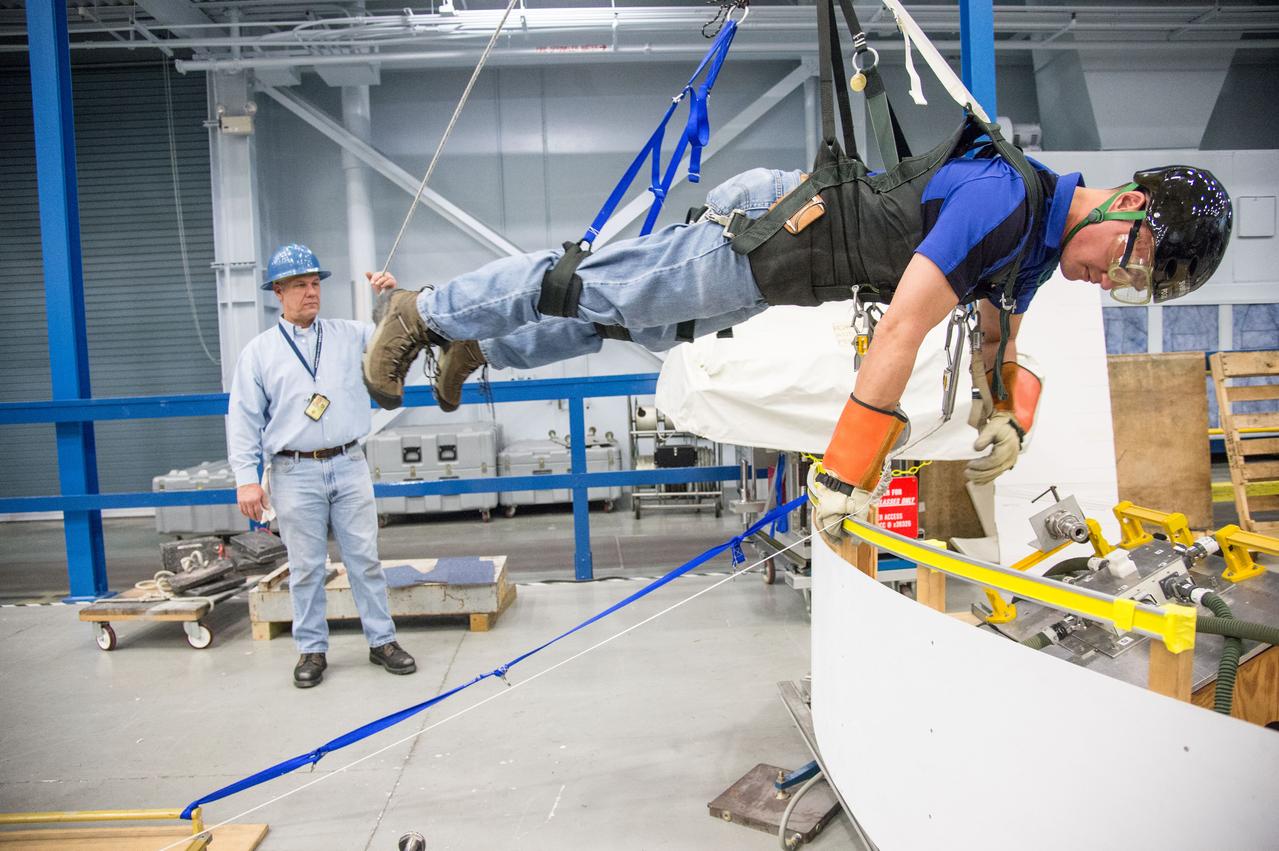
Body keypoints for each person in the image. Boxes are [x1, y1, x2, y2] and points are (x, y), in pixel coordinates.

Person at [362, 159, 1232, 539]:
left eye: (1132, 289)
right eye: (1129, 268)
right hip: (772, 234)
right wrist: (846, 471)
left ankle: (481, 347)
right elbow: (903, 329)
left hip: (782, 270)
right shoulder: (1007, 198)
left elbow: (997, 325)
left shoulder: (1038, 242)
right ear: (1126, 208)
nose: (1110, 284)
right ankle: (424, 310)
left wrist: (997, 411)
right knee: (590, 286)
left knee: (626, 321)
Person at [229, 243, 416, 688]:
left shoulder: (350, 334)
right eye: (300, 285)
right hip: (293, 472)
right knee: (306, 567)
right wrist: (245, 481)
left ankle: (382, 641)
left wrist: (389, 298)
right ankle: (311, 649)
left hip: (349, 463)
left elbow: (394, 338)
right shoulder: (259, 353)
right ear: (278, 291)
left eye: (315, 284)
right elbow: (243, 419)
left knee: (365, 560)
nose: (311, 293)